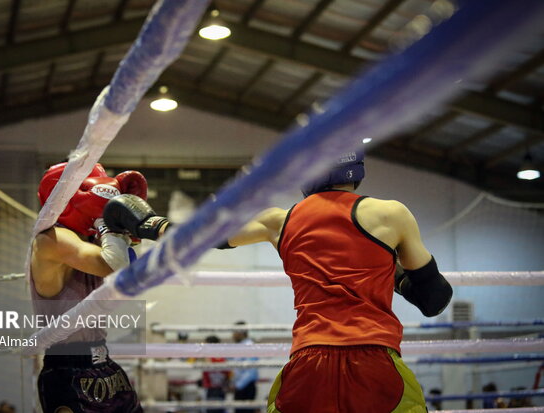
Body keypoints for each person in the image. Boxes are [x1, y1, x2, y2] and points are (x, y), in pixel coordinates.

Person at [101, 149, 453, 412]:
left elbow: (199, 239)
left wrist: (147, 224)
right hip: (377, 363)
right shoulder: (392, 214)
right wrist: (394, 276)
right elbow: (435, 300)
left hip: (309, 363)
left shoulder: (279, 220)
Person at [31, 162, 146, 413]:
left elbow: (133, 272)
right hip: (68, 369)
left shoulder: (93, 238)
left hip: (105, 364)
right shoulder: (51, 239)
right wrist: (108, 224)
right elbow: (113, 265)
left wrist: (126, 229)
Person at [231, 322, 259, 413]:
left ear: (241, 332)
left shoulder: (249, 346)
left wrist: (238, 386)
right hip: (241, 386)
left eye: (234, 332)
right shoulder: (240, 346)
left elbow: (251, 371)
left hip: (246, 387)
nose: (233, 335)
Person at [201, 335, 230, 413]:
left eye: (205, 345)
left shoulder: (210, 358)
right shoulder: (223, 359)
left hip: (213, 390)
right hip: (219, 390)